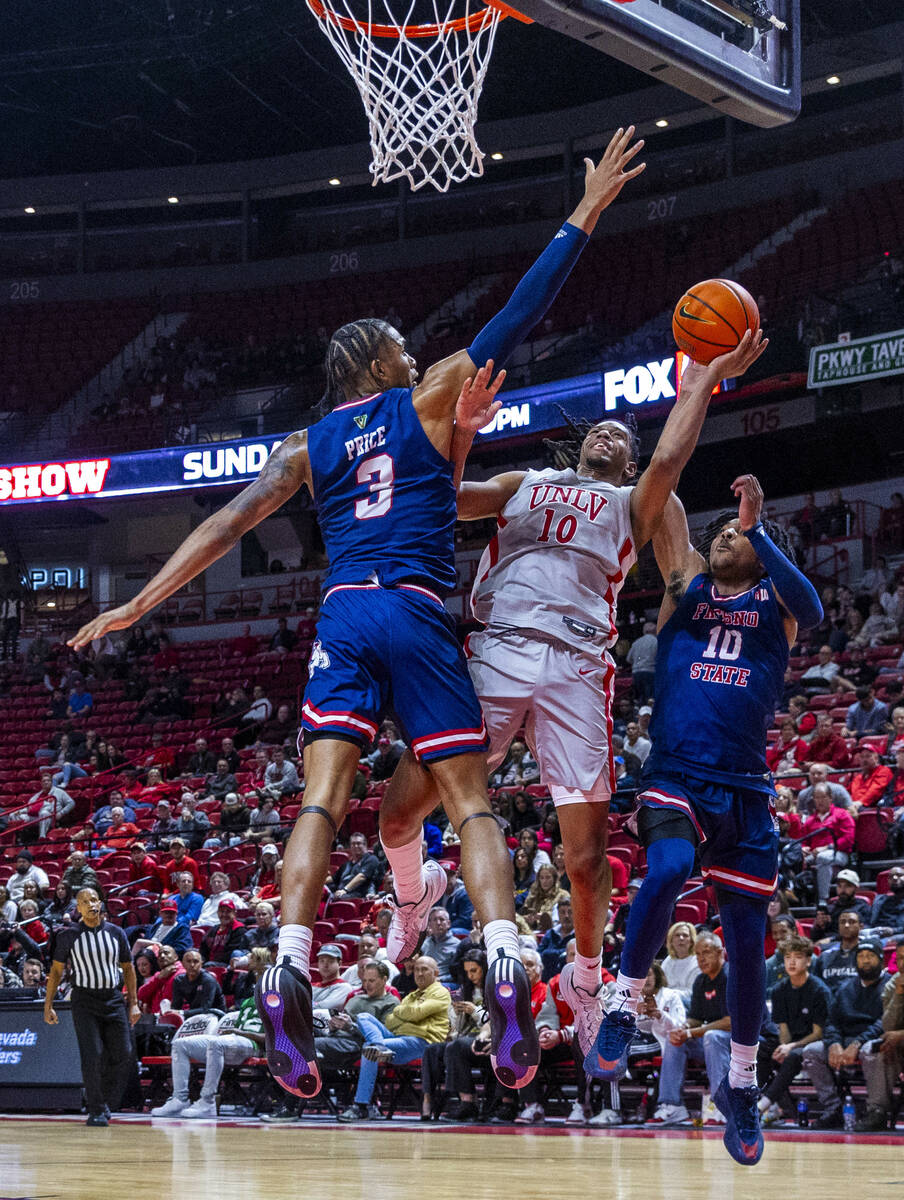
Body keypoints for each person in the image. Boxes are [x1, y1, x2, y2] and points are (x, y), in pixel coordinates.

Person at [69, 127, 647, 1103]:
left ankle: (286, 968)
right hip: (418, 613)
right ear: (380, 365)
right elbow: (516, 314)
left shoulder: (307, 443)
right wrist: (584, 210)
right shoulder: (425, 401)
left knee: (318, 805)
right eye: (404, 347)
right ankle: (508, 966)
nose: (416, 350)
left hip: (342, 615)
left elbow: (224, 523)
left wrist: (138, 601)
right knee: (469, 804)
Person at [591, 473, 823, 1167]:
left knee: (748, 943)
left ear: (759, 548)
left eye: (737, 534)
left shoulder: (777, 602)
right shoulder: (685, 580)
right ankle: (626, 1000)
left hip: (746, 791)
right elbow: (663, 493)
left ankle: (742, 1087)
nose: (724, 535)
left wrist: (753, 526)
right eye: (721, 530)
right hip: (676, 775)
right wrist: (692, 391)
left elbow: (810, 608)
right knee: (666, 866)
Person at [43, 888, 140, 1126]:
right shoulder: (69, 935)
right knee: (92, 1054)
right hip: (84, 1000)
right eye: (85, 901)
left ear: (100, 903)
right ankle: (96, 1109)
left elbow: (128, 969)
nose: (91, 904)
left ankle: (101, 1099)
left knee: (123, 1053)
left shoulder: (116, 933)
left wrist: (134, 1003)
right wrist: (48, 1005)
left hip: (114, 999)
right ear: (78, 908)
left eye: (94, 899)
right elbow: (56, 972)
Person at [338, 955, 450, 1121]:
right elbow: (392, 1021)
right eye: (417, 969)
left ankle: (361, 1106)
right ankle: (378, 1046)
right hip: (399, 1040)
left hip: (422, 1043)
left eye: (424, 969)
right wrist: (408, 1013)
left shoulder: (441, 992)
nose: (419, 973)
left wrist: (405, 1012)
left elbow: (415, 1013)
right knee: (364, 1017)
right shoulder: (412, 996)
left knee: (369, 1050)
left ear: (436, 973)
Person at [801, 936, 890, 1128]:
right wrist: (834, 1043)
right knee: (811, 1051)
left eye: (870, 956)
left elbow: (883, 1023)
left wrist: (856, 1043)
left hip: (870, 1040)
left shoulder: (889, 986)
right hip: (845, 1041)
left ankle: (877, 1110)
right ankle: (833, 1108)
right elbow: (832, 1021)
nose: (865, 960)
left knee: (870, 1050)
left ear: (881, 959)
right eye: (861, 956)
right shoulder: (845, 987)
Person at [646, 933, 732, 1128]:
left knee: (712, 1036)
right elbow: (695, 1017)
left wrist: (693, 1032)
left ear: (721, 954)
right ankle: (672, 1105)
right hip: (712, 1042)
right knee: (674, 1038)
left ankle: (722, 1104)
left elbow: (730, 1022)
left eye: (707, 953)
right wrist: (683, 1028)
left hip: (741, 1043)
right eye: (698, 954)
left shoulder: (730, 978)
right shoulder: (701, 981)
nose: (701, 959)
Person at [150, 995, 266, 1118]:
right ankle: (179, 1100)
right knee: (180, 1044)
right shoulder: (248, 1000)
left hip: (253, 1045)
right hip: (234, 1039)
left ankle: (208, 1102)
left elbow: (270, 1037)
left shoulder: (278, 1000)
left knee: (216, 1044)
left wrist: (240, 1033)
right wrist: (235, 1032)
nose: (258, 975)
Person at [757, 935, 830, 1124]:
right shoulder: (779, 990)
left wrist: (790, 1047)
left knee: (794, 1055)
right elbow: (783, 1028)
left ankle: (761, 1105)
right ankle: (768, 1103)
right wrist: (783, 1046)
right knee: (760, 1048)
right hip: (792, 1041)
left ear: (808, 961)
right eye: (788, 957)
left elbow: (818, 1033)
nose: (791, 961)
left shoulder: (818, 990)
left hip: (817, 1041)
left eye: (797, 957)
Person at [856, 938, 904, 1130]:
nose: (902, 963)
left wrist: (900, 1035)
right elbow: (888, 1024)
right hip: (899, 1043)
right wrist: (900, 993)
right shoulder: (893, 983)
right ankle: (877, 1110)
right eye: (899, 958)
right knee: (875, 1049)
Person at [800, 785, 857, 902]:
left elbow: (848, 839)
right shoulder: (810, 820)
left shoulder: (842, 814)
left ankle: (823, 898)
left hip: (840, 853)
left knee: (823, 857)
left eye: (823, 797)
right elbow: (805, 841)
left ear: (831, 798)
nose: (820, 801)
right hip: (814, 855)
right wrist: (804, 848)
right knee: (793, 858)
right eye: (817, 798)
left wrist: (827, 847)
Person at [812, 911, 863, 993]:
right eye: (842, 922)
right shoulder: (825, 956)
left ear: (861, 927)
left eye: (851, 922)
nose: (846, 925)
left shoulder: (867, 955)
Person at [325, 832, 383, 898]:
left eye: (358, 843)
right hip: (341, 893)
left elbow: (361, 877)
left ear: (365, 845)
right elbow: (333, 878)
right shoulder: (346, 864)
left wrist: (344, 890)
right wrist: (318, 884)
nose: (356, 846)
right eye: (353, 844)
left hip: (359, 895)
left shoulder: (371, 859)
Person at [171, 949, 226, 1016]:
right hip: (194, 1016)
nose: (192, 965)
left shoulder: (208, 980)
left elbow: (206, 1008)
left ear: (201, 963)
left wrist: (182, 1013)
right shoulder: (179, 980)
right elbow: (176, 1006)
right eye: (188, 961)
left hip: (215, 1015)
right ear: (183, 963)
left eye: (196, 961)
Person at [627, 622, 658, 704]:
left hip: (636, 673)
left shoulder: (636, 642)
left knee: (640, 699)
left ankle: (641, 715)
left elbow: (629, 659)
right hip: (650, 672)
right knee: (650, 699)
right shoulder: (656, 641)